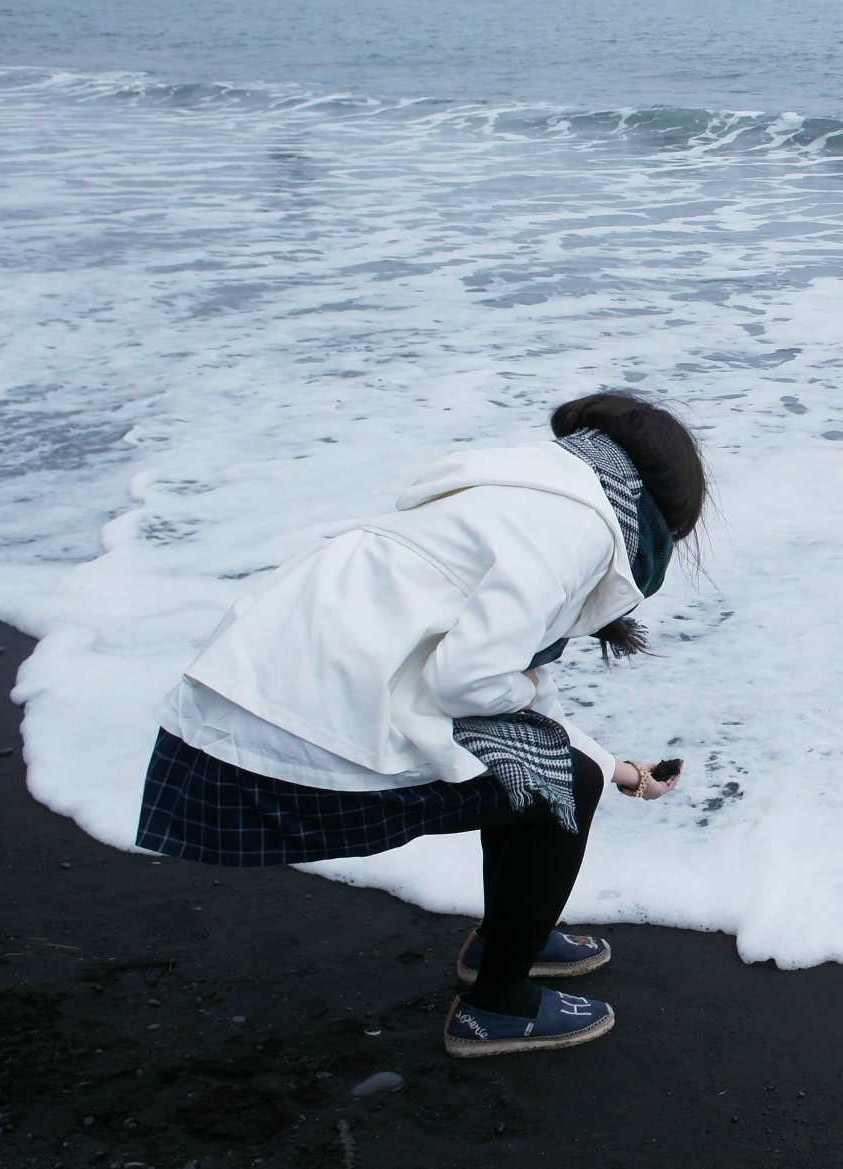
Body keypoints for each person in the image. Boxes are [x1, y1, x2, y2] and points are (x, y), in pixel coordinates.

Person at [135, 391, 706, 1057]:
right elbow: (468, 683)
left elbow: (492, 695)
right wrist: (592, 764)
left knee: (546, 764)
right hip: (282, 736)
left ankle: (510, 933)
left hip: (255, 696)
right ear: (655, 508)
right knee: (563, 785)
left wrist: (619, 767)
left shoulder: (519, 485)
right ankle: (497, 1007)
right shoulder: (574, 529)